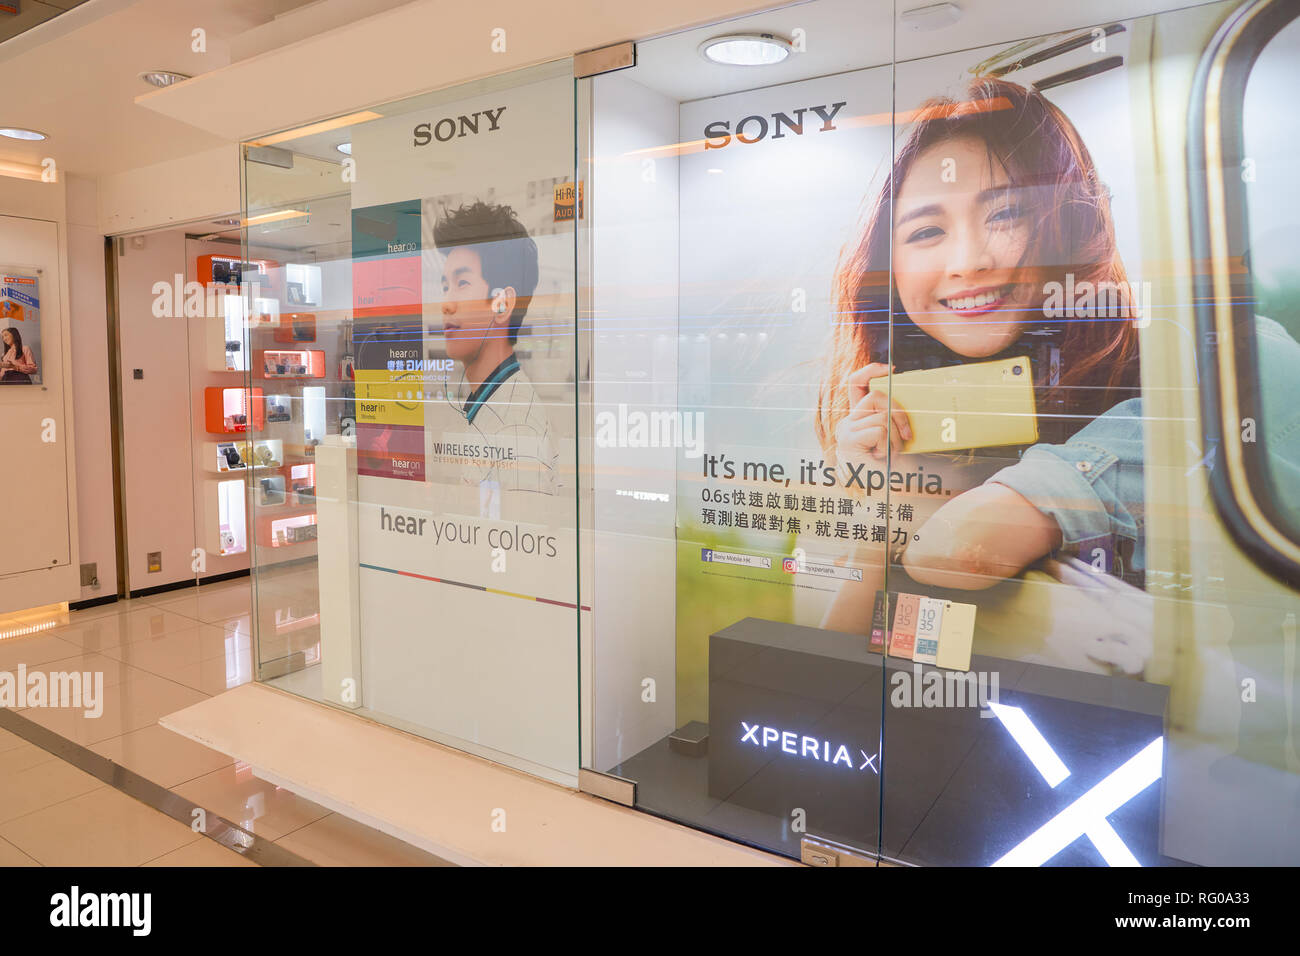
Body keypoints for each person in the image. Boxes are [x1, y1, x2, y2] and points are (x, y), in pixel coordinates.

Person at [817, 77, 1145, 634]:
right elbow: (842, 669)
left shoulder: (1179, 380)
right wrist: (878, 501)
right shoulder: (879, 428)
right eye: (925, 231)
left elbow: (957, 554)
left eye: (1005, 215)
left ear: (1070, 226)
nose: (968, 261)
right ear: (888, 269)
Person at [430, 200, 558, 497]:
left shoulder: (515, 427)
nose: (446, 303)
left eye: (462, 282)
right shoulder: (494, 406)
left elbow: (520, 538)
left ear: (502, 303)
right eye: (445, 286)